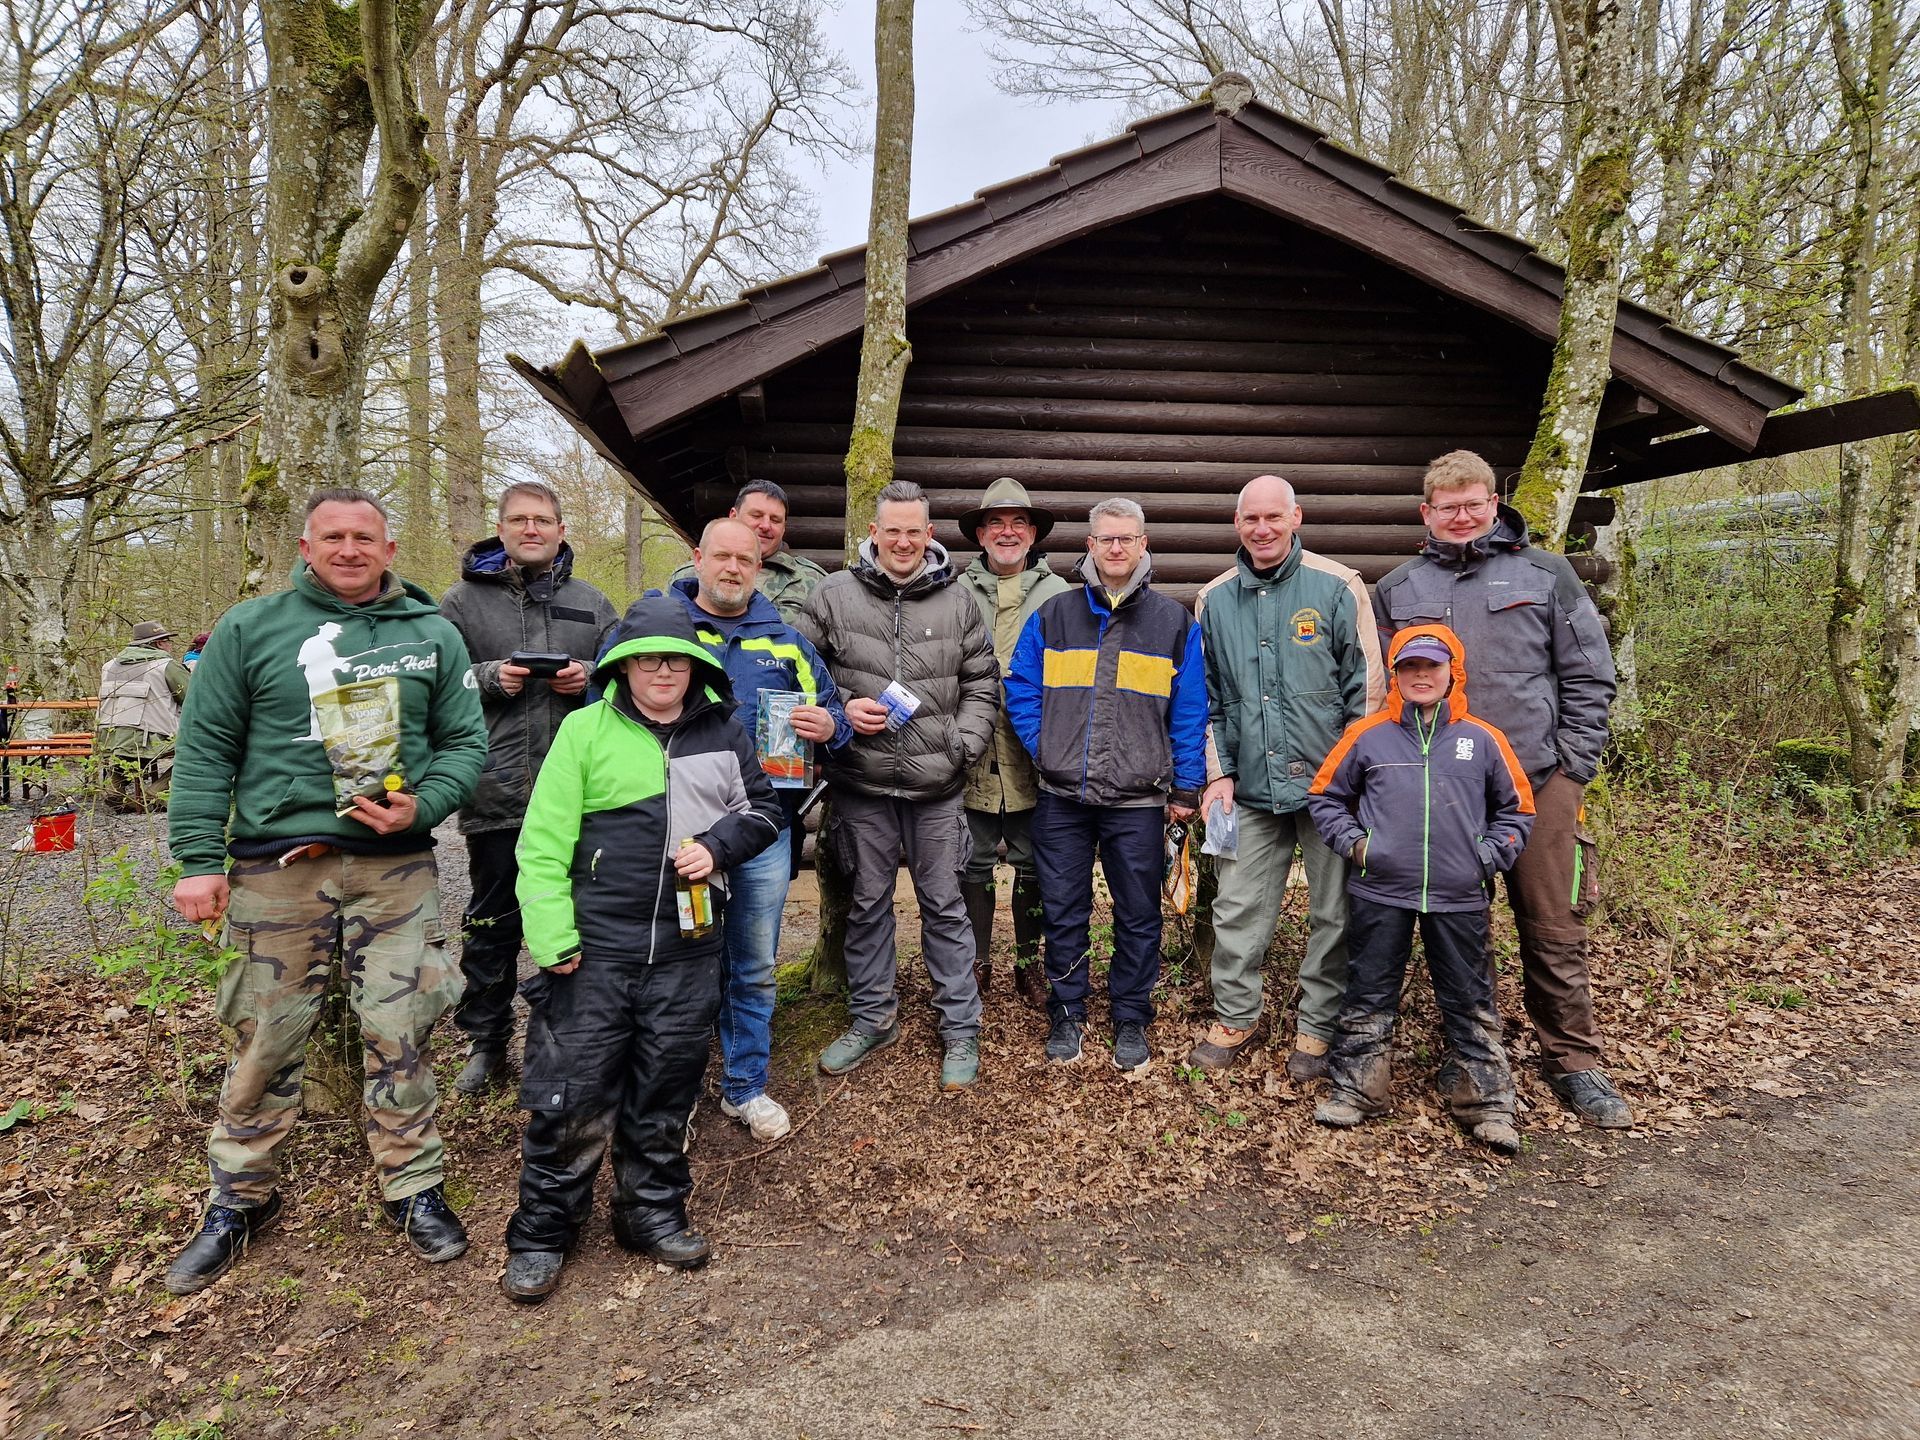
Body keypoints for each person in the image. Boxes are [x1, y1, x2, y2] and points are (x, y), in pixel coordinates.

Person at [162, 488, 488, 1296]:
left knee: (402, 1028)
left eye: (364, 537)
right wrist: (198, 860)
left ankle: (414, 1187)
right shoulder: (250, 628)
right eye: (332, 537)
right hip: (277, 869)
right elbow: (205, 749)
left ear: (389, 548)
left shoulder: (432, 633)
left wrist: (426, 804)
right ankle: (239, 1198)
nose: (349, 549)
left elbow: (464, 742)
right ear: (306, 548)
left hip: (395, 868)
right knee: (265, 1034)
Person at [501, 597, 783, 1302]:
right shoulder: (583, 731)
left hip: (689, 950)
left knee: (666, 1090)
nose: (662, 671)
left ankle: (649, 1214)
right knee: (571, 1098)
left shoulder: (726, 732)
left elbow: (764, 811)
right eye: (648, 659)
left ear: (696, 668)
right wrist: (552, 937)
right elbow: (541, 845)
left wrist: (717, 846)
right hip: (594, 951)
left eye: (676, 661)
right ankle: (542, 1233)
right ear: (623, 666)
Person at [1372, 450, 1629, 1127]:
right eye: (1447, 506)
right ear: (1426, 513)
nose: (1460, 516)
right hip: (1445, 788)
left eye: (1472, 503)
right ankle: (1473, 1053)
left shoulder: (1547, 574)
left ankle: (1573, 1059)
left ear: (1494, 504)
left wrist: (1574, 768)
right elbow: (1385, 693)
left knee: (1553, 923)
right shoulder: (1398, 588)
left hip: (1539, 779)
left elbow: (1590, 673)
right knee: (1459, 927)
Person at [793, 481, 999, 1090]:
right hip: (862, 784)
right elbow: (796, 671)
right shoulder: (833, 595)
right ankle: (873, 1018)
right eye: (893, 531)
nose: (903, 542)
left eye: (914, 531)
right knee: (867, 905)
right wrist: (839, 710)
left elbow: (982, 683)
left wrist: (961, 747)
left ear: (929, 534)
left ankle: (960, 1027)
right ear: (874, 533)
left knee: (945, 907)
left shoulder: (958, 601)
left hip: (937, 789)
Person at [1306, 626, 1535, 1153]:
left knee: (1470, 998)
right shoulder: (1368, 735)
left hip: (1459, 894)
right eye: (1410, 667)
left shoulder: (1483, 738)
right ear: (1396, 675)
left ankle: (1488, 1105)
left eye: (1432, 666)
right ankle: (1357, 1092)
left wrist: (1486, 857)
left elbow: (1518, 809)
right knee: (1368, 992)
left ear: (1453, 672)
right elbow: (1324, 797)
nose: (1421, 676)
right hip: (1380, 890)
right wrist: (1358, 847)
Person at [1186, 475, 1384, 1079]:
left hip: (1330, 788)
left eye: (1274, 516)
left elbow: (1366, 691)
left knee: (1334, 911)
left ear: (1296, 518)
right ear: (1237, 524)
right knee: (1236, 907)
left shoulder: (1339, 586)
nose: (1263, 528)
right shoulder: (1213, 600)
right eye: (1251, 518)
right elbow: (1207, 699)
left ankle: (1317, 1025)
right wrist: (1218, 774)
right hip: (1247, 785)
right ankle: (1236, 1014)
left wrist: (1352, 778)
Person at [1003, 498, 1206, 1071]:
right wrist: (1047, 747)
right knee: (1063, 909)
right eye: (1106, 539)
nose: (1116, 548)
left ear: (1143, 545)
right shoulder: (1055, 616)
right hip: (1063, 797)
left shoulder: (1173, 623)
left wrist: (1187, 787)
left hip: (1138, 800)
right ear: (1089, 546)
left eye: (1127, 538)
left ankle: (1131, 1016)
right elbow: (1020, 687)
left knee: (1138, 912)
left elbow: (1190, 710)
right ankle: (1067, 1011)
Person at [665, 518, 851, 1142]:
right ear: (698, 557)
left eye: (745, 560)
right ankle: (673, 1097)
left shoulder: (788, 643)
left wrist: (830, 727)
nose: (733, 569)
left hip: (764, 830)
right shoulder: (661, 629)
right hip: (682, 836)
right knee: (681, 966)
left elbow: (834, 714)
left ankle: (744, 1086)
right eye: (722, 556)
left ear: (759, 568)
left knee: (752, 965)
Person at [438, 479, 617, 1096]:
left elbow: (630, 677)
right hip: (496, 788)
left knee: (577, 920)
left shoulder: (593, 603)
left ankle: (569, 1036)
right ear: (501, 529)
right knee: (492, 921)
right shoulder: (461, 603)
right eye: (519, 520)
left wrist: (587, 677)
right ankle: (486, 1040)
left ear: (562, 530)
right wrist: (492, 677)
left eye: (543, 520)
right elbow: (435, 683)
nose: (531, 529)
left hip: (583, 796)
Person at [955, 477, 1068, 1007]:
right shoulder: (953, 592)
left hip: (1036, 754)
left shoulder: (1060, 596)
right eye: (995, 523)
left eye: (1018, 523)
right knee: (972, 859)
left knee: (1033, 861)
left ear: (1033, 534)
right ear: (980, 535)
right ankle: (976, 964)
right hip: (969, 753)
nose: (1007, 532)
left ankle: (1028, 966)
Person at [671, 479, 827, 625]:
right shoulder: (688, 575)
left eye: (775, 520)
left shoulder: (814, 580)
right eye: (756, 516)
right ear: (733, 516)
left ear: (784, 527)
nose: (765, 526)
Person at [95, 620, 192, 812]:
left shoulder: (109, 666)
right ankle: (155, 793)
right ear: (158, 643)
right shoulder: (166, 666)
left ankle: (114, 788)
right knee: (196, 751)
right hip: (152, 736)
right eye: (168, 641)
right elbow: (192, 698)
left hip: (108, 737)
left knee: (127, 748)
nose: (170, 645)